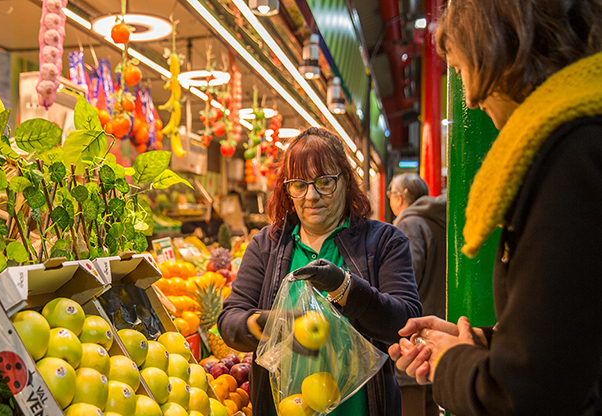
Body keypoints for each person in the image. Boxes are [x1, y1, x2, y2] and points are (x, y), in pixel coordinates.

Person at [389, 0, 602, 415]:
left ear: (501, 52)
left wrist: (452, 363)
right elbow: (573, 332)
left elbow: (524, 392)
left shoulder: (569, 160)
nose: (468, 98)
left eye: (465, 69)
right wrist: (485, 342)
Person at [218, 127, 422, 416]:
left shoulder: (384, 241)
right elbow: (229, 319)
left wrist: (345, 288)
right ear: (287, 190)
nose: (311, 196)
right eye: (299, 185)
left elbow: (406, 320)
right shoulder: (267, 245)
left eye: (325, 182)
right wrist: (266, 325)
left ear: (345, 181)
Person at [387, 173, 446, 416]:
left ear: (399, 198)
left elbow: (405, 282)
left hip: (414, 336)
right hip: (439, 331)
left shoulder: (408, 225)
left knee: (411, 405)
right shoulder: (439, 221)